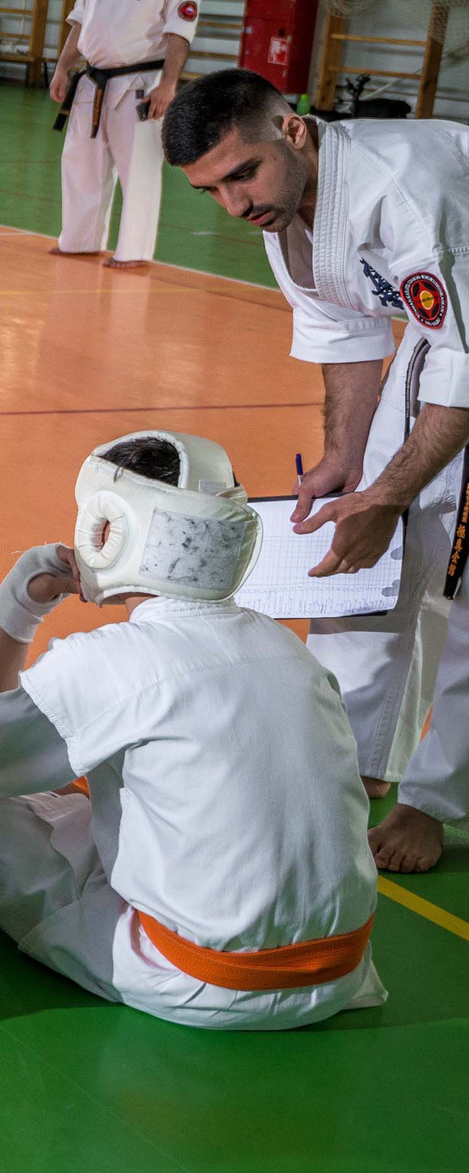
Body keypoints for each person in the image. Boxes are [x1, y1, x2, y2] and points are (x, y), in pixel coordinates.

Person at [0, 431, 386, 1027]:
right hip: (339, 973)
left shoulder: (112, 660)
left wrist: (19, 611)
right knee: (89, 800)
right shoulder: (285, 646)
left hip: (195, 978)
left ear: (105, 530)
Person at [164, 68, 469, 873]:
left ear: (292, 129)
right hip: (446, 346)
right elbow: (347, 334)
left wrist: (390, 489)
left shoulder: (403, 193)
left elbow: (464, 363)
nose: (233, 204)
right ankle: (349, 756)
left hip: (464, 350)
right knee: (359, 557)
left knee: (464, 589)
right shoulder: (287, 205)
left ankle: (432, 802)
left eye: (242, 174)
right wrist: (347, 462)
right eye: (211, 190)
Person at [48, 0, 198, 269]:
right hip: (92, 81)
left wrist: (168, 84)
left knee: (139, 170)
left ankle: (133, 251)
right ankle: (79, 240)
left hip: (141, 83)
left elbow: (179, 32)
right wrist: (64, 65)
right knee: (80, 163)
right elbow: (81, 21)